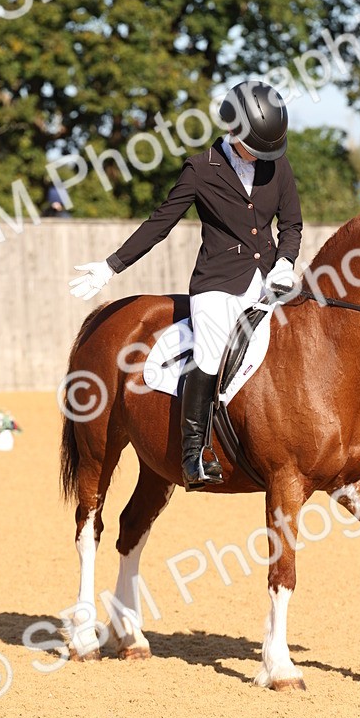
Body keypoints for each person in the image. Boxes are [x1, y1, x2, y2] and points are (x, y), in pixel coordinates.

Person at [68, 80, 303, 489]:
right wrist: (110, 267)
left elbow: (292, 224)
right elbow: (159, 225)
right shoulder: (200, 169)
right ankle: (194, 452)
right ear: (232, 130)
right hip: (218, 283)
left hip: (268, 280)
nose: (263, 159)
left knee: (305, 337)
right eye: (255, 149)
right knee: (210, 353)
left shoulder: (277, 164)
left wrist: (285, 261)